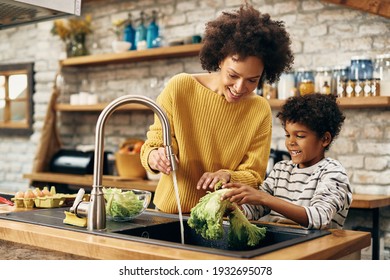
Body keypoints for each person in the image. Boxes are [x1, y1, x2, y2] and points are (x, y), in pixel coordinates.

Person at [140, 3, 294, 213]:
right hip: (171, 214)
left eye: (252, 80)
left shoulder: (259, 110)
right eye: (233, 75)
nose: (240, 88)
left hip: (223, 218)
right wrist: (156, 156)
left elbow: (255, 175)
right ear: (220, 59)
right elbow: (153, 144)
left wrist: (227, 175)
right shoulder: (181, 88)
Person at [221, 93, 352, 229]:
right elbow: (255, 210)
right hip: (285, 243)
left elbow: (319, 217)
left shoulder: (332, 172)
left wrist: (263, 197)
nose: (290, 142)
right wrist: (233, 207)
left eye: (300, 136)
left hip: (318, 246)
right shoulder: (281, 170)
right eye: (288, 135)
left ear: (325, 139)